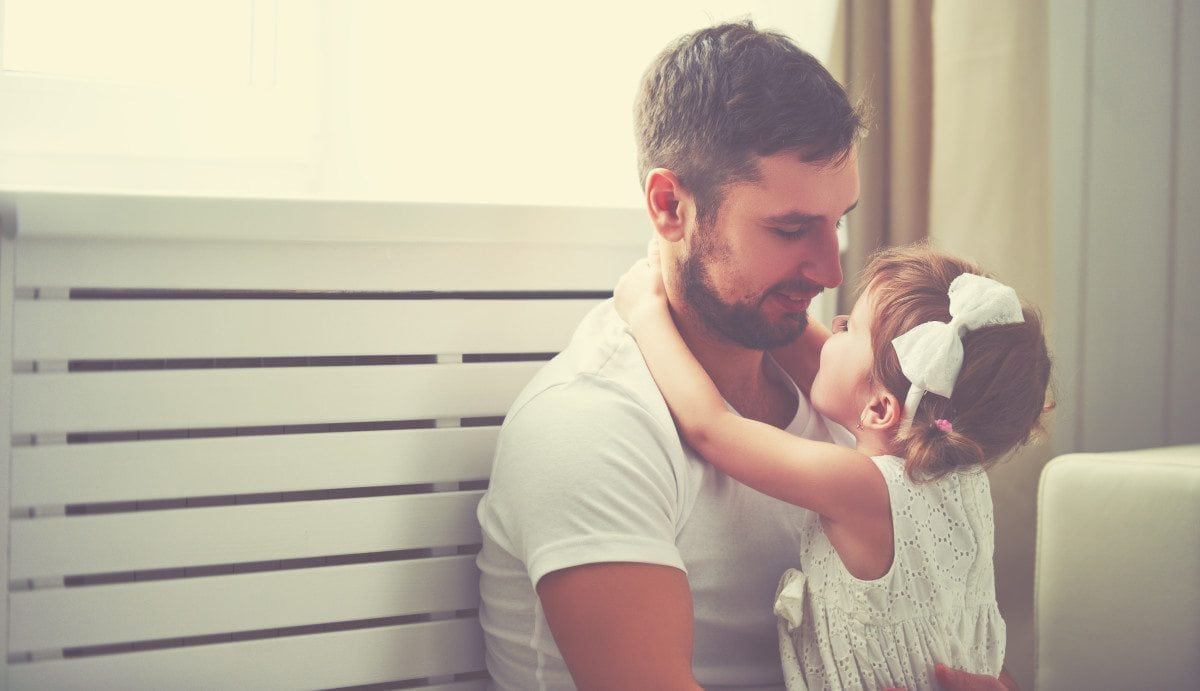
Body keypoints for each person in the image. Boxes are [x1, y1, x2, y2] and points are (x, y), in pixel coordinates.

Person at [476, 20, 1018, 689]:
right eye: (790, 229)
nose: (827, 271)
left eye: (838, 223)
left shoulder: (859, 401)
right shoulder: (590, 427)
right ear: (670, 207)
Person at [614, 242, 1051, 689]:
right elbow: (841, 370)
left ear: (880, 411)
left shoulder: (860, 486)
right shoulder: (964, 475)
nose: (830, 329)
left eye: (847, 329)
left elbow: (713, 427)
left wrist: (646, 314)